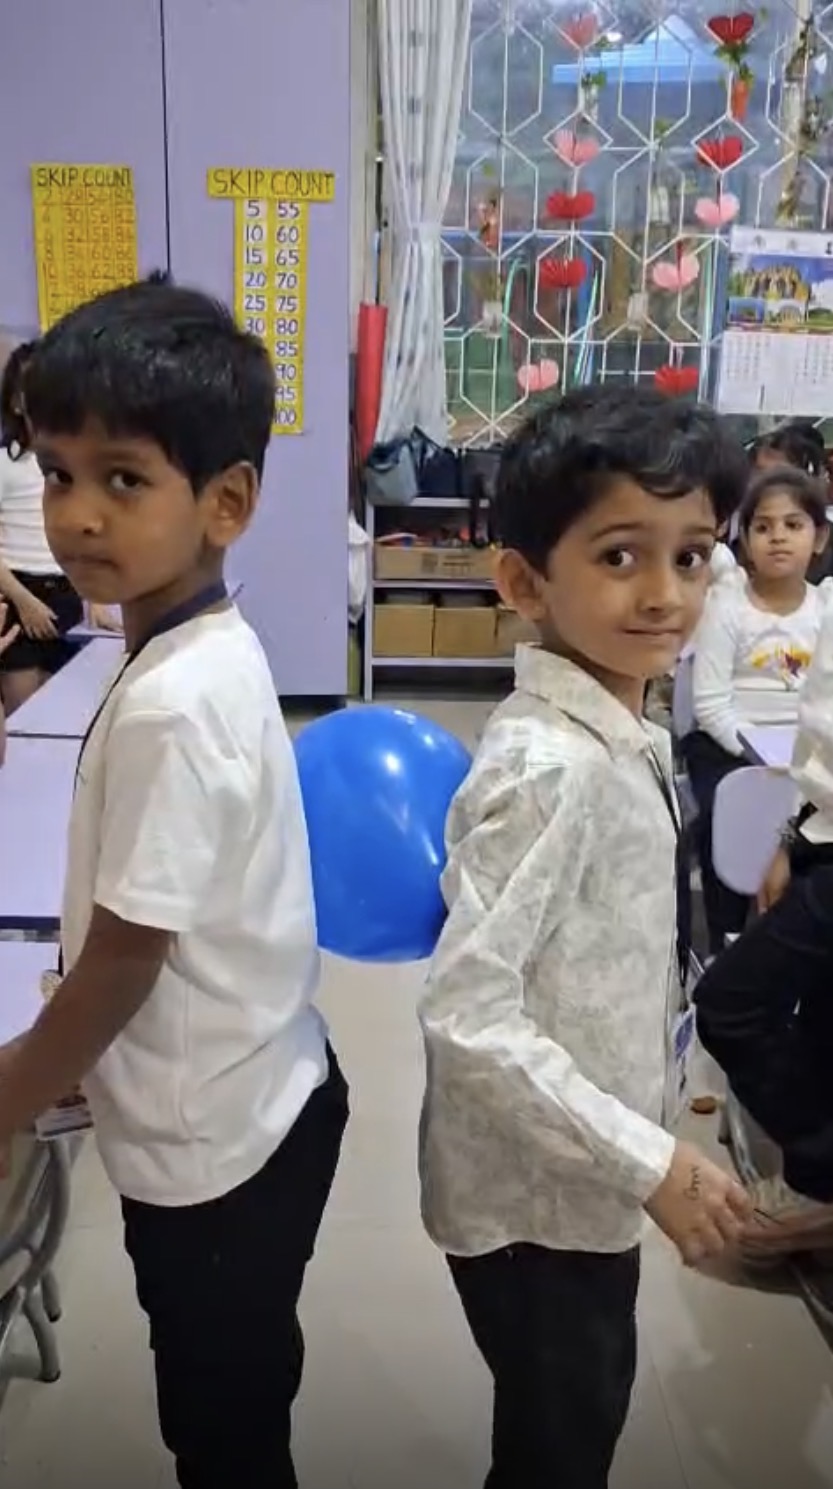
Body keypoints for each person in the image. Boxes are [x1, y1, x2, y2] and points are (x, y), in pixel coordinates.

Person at [0, 279, 348, 1488]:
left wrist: (9, 1092)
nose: (78, 514)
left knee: (222, 1429)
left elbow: (122, 964)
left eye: (123, 478)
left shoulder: (173, 703)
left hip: (217, 1154)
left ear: (226, 502)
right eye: (56, 473)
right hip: (269, 1086)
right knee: (241, 1384)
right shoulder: (199, 644)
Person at [418, 385, 752, 1489]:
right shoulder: (549, 767)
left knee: (573, 1415)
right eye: (619, 556)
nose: (664, 593)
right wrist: (644, 1158)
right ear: (523, 582)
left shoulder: (622, 724)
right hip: (537, 1204)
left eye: (691, 555)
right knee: (561, 1442)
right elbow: (467, 1014)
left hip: (580, 1176)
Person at [696, 595, 833, 1262]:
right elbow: (819, 735)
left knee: (731, 1004)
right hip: (816, 825)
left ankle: (819, 1176)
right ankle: (815, 1179)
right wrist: (789, 833)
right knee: (814, 1017)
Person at [684, 465, 830, 955]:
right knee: (728, 810)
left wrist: (803, 757)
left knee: (818, 819)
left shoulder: (826, 610)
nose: (778, 537)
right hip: (732, 744)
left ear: (819, 538)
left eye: (793, 525)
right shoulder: (727, 607)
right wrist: (760, 753)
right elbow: (710, 703)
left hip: (809, 747)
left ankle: (803, 934)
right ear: (745, 539)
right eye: (763, 527)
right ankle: (724, 939)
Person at [0, 341, 85, 712]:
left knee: (64, 714)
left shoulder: (76, 466)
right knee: (25, 719)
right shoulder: (4, 463)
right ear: (15, 401)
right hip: (18, 594)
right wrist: (24, 602)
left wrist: (94, 599)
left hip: (66, 592)